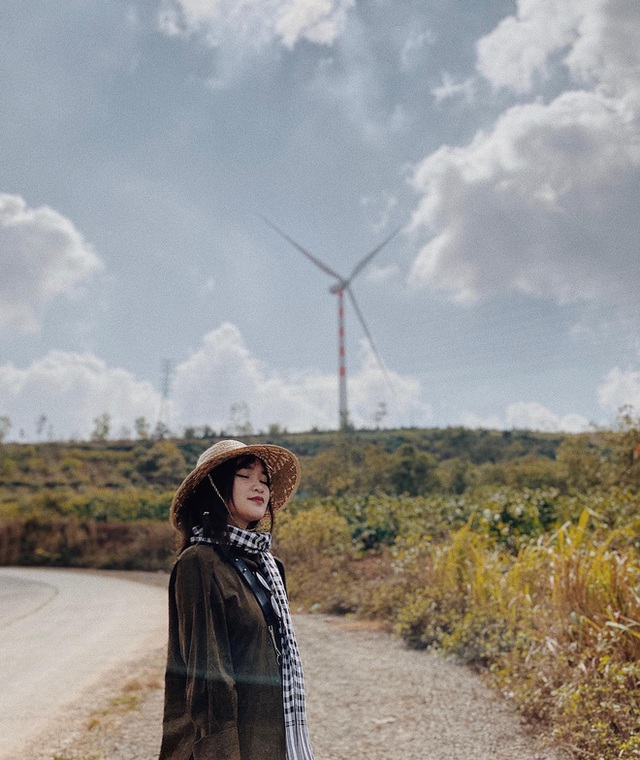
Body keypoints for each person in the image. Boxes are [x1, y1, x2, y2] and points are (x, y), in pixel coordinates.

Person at [158, 439, 314, 760]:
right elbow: (207, 681)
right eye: (244, 476)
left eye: (264, 480)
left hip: (270, 741)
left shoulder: (269, 567)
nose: (259, 487)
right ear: (214, 488)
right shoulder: (199, 563)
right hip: (227, 749)